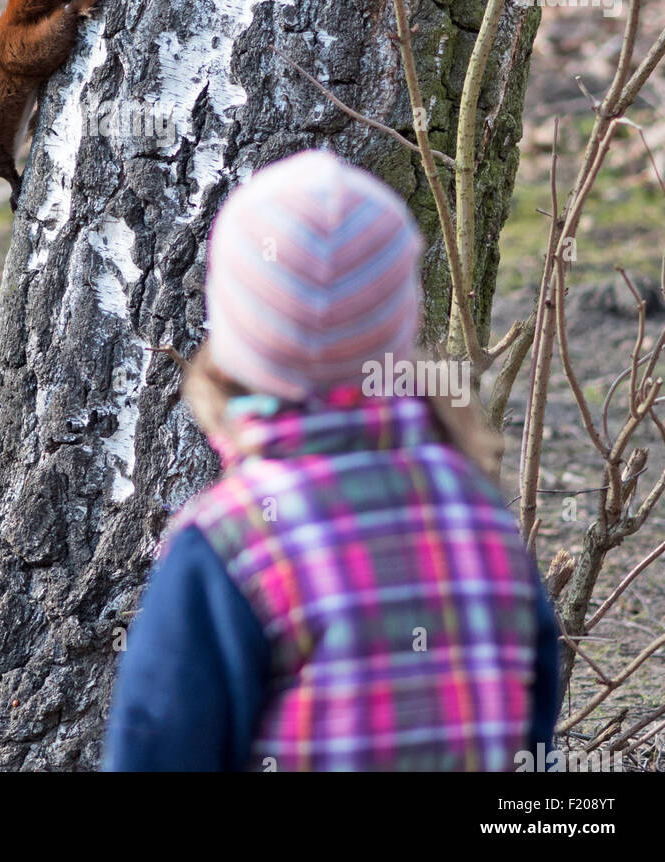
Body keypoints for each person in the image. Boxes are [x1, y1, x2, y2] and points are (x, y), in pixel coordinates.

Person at [103, 149, 559, 772]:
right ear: (406, 321)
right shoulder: (479, 516)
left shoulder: (229, 544)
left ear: (230, 332)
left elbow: (155, 750)